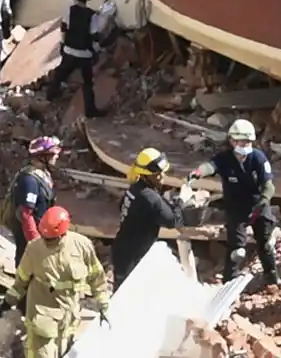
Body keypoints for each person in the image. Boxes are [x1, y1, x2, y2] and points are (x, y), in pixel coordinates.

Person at [0, 206, 110, 358]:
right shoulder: (34, 249)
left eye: (50, 238)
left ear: (62, 233)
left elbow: (96, 276)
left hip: (69, 322)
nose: (46, 241)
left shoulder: (81, 246)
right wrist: (7, 303)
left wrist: (103, 304)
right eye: (44, 237)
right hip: (43, 324)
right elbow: (21, 282)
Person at [189, 119, 281, 288]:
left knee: (265, 245)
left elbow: (269, 186)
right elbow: (211, 166)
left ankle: (272, 278)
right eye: (242, 141)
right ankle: (229, 282)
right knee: (237, 249)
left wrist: (263, 202)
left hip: (259, 205)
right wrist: (199, 172)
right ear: (232, 141)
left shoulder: (258, 158)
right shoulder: (225, 159)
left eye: (248, 141)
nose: (245, 145)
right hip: (236, 208)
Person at [112, 147, 188, 291]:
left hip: (122, 249)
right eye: (159, 174)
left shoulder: (135, 189)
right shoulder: (150, 198)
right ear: (152, 175)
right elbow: (173, 221)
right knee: (127, 296)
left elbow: (121, 206)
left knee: (121, 291)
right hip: (134, 256)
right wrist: (180, 201)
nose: (162, 177)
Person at [45, 0, 107, 118]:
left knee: (60, 75)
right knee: (87, 83)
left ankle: (49, 97)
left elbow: (64, 29)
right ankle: (90, 111)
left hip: (69, 50)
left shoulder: (69, 10)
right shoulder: (93, 15)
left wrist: (62, 45)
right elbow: (94, 36)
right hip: (84, 54)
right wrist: (98, 51)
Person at [5, 136, 62, 267]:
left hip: (43, 232)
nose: (56, 157)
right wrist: (35, 242)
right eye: (53, 154)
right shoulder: (29, 180)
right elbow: (25, 214)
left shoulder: (44, 174)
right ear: (43, 156)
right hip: (30, 238)